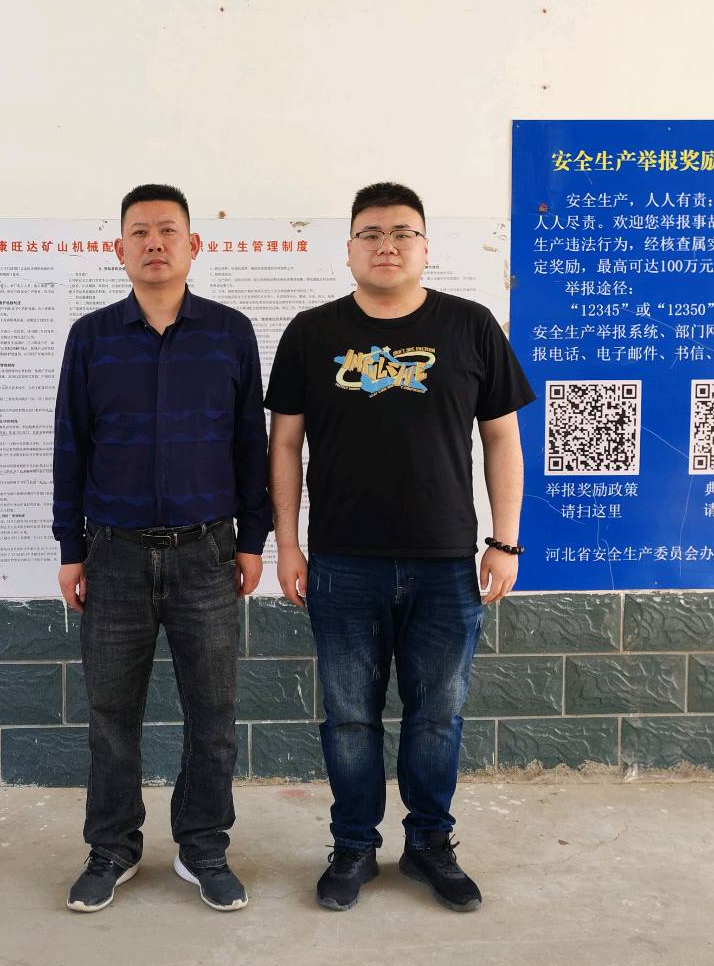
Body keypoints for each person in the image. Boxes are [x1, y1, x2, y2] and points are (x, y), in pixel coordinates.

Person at [266, 181, 533, 913]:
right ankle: (354, 845)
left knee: (437, 716)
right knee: (349, 718)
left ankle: (429, 845)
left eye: (403, 233)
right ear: (349, 248)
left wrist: (505, 541)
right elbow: (283, 445)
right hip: (341, 563)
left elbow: (502, 440)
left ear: (425, 246)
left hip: (446, 562)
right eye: (372, 234)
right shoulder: (312, 332)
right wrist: (287, 544)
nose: (387, 246)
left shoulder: (471, 325)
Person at [53, 183, 271, 913]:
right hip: (112, 555)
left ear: (193, 245)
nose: (154, 243)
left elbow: (250, 443)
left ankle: (203, 846)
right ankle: (111, 848)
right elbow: (70, 445)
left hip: (207, 553)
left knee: (213, 712)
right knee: (111, 715)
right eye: (139, 232)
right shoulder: (91, 336)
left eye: (168, 230)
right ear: (117, 249)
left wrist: (253, 540)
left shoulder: (230, 332)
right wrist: (71, 547)